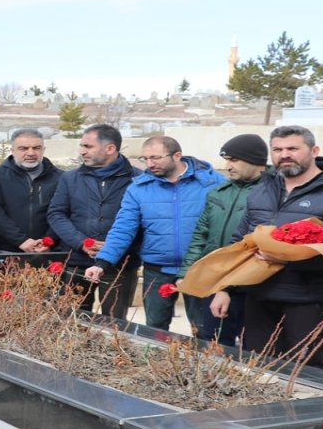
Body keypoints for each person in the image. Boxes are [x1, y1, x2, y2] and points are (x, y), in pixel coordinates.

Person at [209, 125, 323, 370]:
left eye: (293, 148)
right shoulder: (263, 189)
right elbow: (239, 241)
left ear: (314, 150)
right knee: (255, 368)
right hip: (260, 296)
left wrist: (285, 257)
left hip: (308, 299)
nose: (284, 154)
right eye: (277, 149)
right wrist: (225, 288)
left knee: (303, 373)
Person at [86, 135, 224, 332]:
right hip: (157, 269)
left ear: (177, 155)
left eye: (156, 158)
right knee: (155, 329)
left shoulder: (212, 182)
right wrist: (102, 262)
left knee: (204, 330)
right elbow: (123, 227)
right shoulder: (138, 189)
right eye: (145, 159)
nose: (150, 164)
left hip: (200, 268)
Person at [176, 134, 273, 345]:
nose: (228, 166)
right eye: (227, 160)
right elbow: (200, 236)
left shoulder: (273, 192)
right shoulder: (217, 193)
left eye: (233, 160)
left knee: (255, 348)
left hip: (254, 285)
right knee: (215, 342)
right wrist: (186, 273)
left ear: (255, 160)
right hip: (218, 281)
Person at [48, 124, 140, 319]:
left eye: (88, 147)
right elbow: (56, 214)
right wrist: (82, 242)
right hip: (76, 262)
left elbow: (143, 221)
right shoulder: (70, 178)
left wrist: (112, 248)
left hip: (120, 265)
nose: (82, 151)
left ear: (110, 148)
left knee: (115, 324)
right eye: (82, 146)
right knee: (71, 320)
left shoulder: (138, 179)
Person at [0, 127, 62, 252]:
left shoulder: (60, 178)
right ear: (12, 150)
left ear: (43, 150)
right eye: (23, 148)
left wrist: (48, 240)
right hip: (5, 251)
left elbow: (63, 212)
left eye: (36, 148)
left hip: (47, 251)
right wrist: (20, 240)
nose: (31, 153)